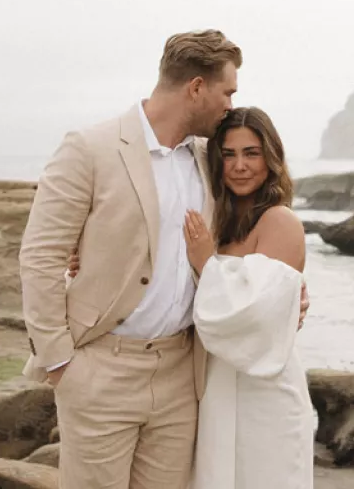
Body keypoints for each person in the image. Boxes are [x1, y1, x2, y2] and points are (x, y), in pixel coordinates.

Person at [18, 29, 307, 489]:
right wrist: (59, 363)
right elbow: (40, 256)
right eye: (227, 91)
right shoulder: (90, 148)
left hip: (182, 375)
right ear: (196, 87)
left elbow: (247, 251)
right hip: (101, 370)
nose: (231, 104)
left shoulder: (209, 158)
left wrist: (284, 294)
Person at [69, 106, 316, 489]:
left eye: (251, 153)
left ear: (271, 158)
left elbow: (258, 317)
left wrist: (206, 263)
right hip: (210, 379)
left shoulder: (280, 221)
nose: (239, 166)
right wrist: (89, 259)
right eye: (229, 155)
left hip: (261, 386)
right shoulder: (219, 221)